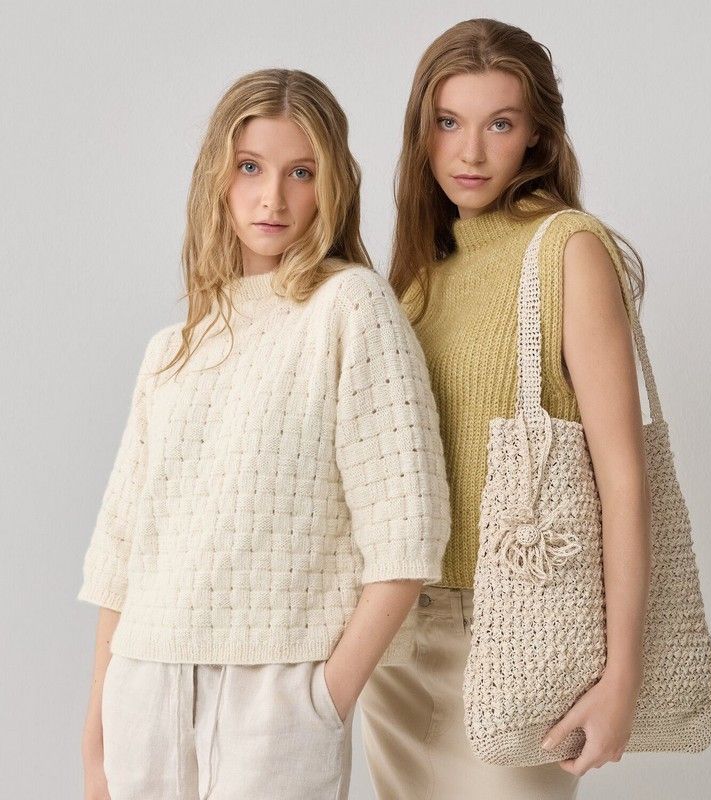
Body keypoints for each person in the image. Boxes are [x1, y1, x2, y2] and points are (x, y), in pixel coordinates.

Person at [77, 67, 450, 800]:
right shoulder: (174, 348)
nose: (272, 197)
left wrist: (321, 701)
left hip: (279, 691)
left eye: (300, 172)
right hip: (143, 686)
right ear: (217, 178)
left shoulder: (350, 307)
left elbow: (409, 532)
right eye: (250, 167)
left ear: (331, 185)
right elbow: (120, 556)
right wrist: (95, 738)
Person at [359, 18, 652, 800]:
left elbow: (623, 477)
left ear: (537, 136)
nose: (470, 152)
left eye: (499, 124)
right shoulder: (419, 270)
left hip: (516, 636)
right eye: (448, 122)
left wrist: (621, 676)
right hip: (396, 637)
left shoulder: (567, 249)